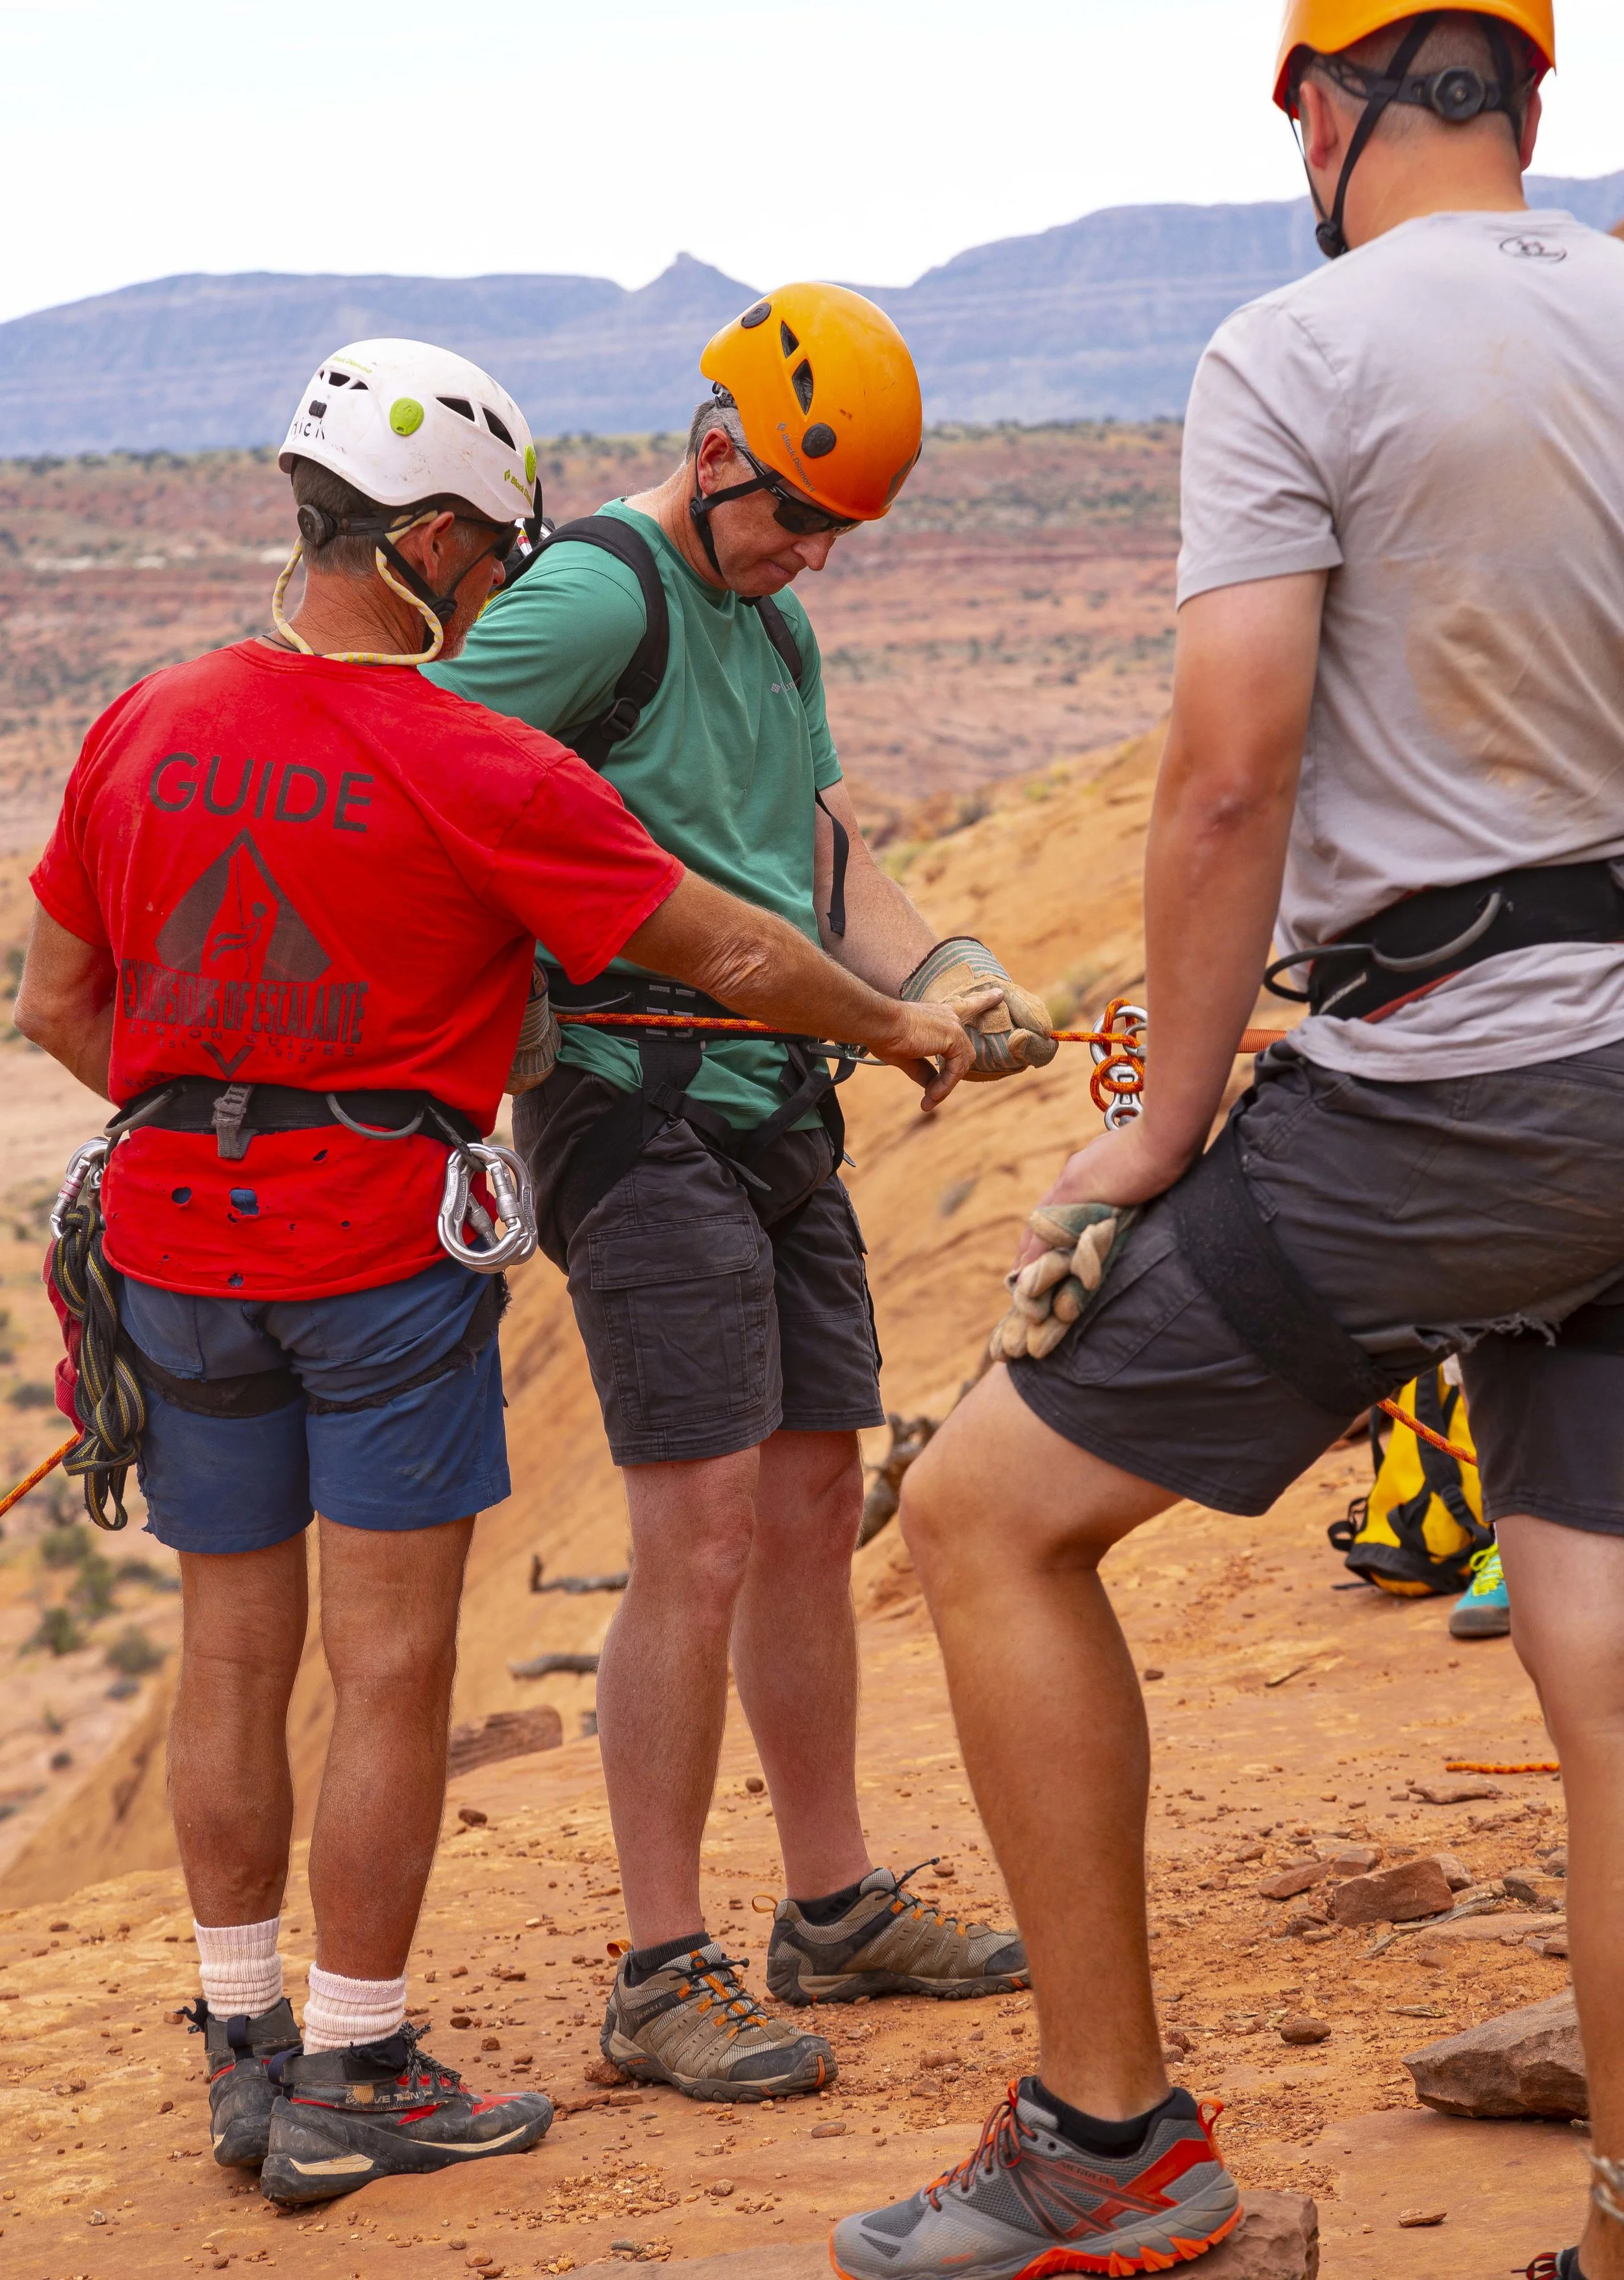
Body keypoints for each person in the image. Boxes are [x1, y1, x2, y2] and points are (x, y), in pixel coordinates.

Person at [14, 336, 986, 2209]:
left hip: (177, 1245)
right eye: (487, 554)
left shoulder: (145, 713)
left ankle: (242, 2045)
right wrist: (898, 1020)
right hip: (375, 1256)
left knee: (235, 1644)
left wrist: (213, 1112)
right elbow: (734, 950)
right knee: (388, 1667)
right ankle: (357, 2061)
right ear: (440, 542)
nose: (498, 585)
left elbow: (61, 994)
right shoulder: (458, 750)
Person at [830, 9, 1624, 2278]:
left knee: (984, 1517)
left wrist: (1156, 1130)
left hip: (1439, 1105)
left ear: (1316, 101)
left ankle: (1108, 2141)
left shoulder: (1291, 350)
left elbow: (1221, 769)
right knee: (1593, 1637)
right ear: (1532, 99)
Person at [429, 283, 1054, 2102]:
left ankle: (830, 1906)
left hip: (778, 1098)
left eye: (835, 531)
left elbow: (819, 841)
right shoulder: (596, 596)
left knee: (805, 1508)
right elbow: (432, 786)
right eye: (791, 514)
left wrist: (942, 963)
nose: (808, 556)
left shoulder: (768, 632)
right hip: (634, 1109)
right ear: (713, 450)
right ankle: (655, 1962)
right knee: (696, 1534)